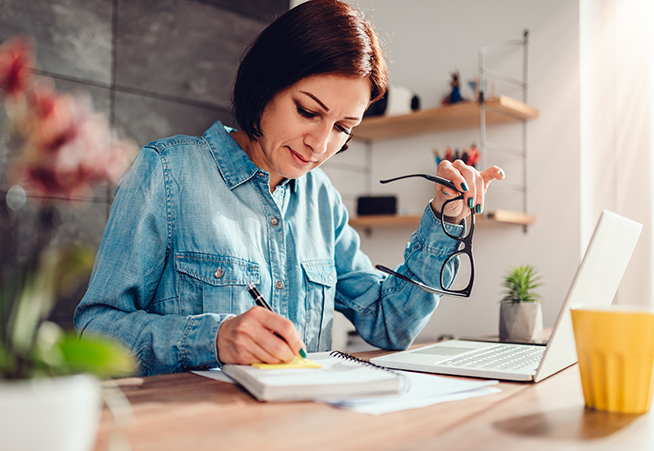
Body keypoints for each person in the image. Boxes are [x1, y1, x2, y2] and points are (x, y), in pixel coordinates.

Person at [74, 0, 504, 376]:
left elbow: (390, 324)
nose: (319, 144)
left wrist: (445, 220)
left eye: (342, 128)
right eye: (307, 111)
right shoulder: (167, 172)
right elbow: (95, 329)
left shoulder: (322, 201)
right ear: (266, 86)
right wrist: (215, 338)